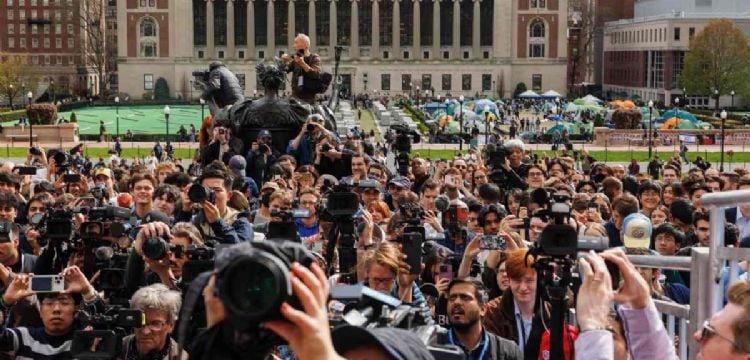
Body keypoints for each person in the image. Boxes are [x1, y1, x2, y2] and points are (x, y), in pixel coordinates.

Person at [0, 266, 103, 358]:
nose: (56, 309)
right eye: (49, 303)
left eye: (64, 303)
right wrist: (6, 301)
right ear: (40, 310)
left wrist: (87, 291)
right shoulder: (24, 338)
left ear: (75, 310)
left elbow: (108, 323)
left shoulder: (85, 337)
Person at [441, 278, 523, 359]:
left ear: (483, 309)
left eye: (465, 297)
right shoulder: (432, 348)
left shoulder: (508, 351)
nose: (456, 302)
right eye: (452, 298)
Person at [121, 284, 188, 359]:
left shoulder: (180, 357)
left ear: (171, 325)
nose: (145, 331)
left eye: (155, 324)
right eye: (140, 322)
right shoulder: (116, 348)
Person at [281, 33, 323, 104]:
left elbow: (316, 74)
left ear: (305, 45)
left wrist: (303, 64)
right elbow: (285, 69)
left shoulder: (314, 58)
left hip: (309, 98)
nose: (294, 45)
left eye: (296, 43)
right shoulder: (295, 60)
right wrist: (284, 62)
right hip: (295, 96)